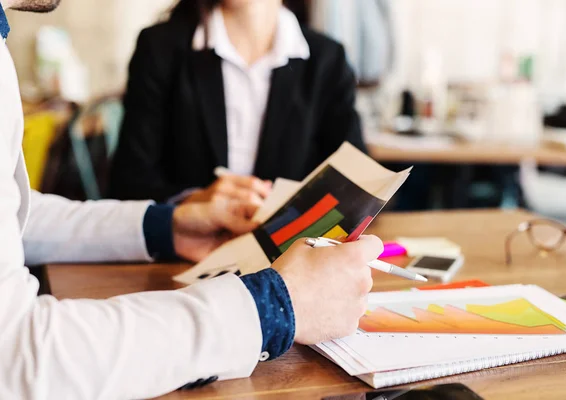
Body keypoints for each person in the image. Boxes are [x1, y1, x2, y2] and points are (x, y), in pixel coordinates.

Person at [0, 1, 382, 398]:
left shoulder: (327, 57)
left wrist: (168, 225)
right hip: (220, 293)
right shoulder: (163, 45)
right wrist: (273, 308)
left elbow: (19, 216)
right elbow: (14, 357)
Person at [109, 0, 367, 205]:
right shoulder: (160, 48)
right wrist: (193, 200)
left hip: (290, 253)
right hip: (183, 253)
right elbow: (129, 184)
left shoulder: (327, 59)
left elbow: (356, 183)